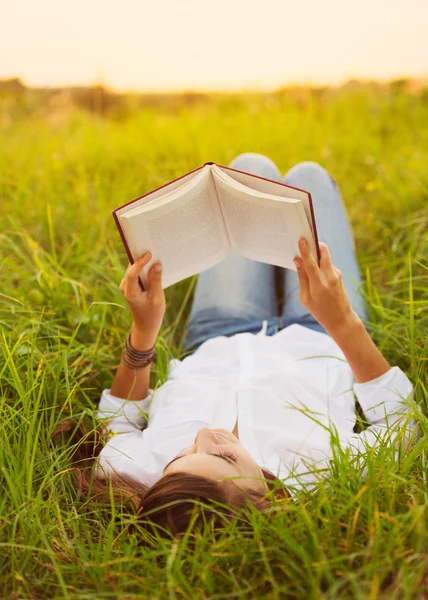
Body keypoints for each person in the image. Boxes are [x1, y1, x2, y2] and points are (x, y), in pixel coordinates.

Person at [54, 154, 416, 538]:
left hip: (219, 330)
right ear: (267, 494)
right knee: (309, 176)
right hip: (322, 331)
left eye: (182, 456)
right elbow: (402, 426)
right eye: (225, 456)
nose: (203, 436)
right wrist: (341, 320)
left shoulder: (141, 472)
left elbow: (120, 419)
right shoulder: (318, 473)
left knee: (248, 168)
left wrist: (144, 329)